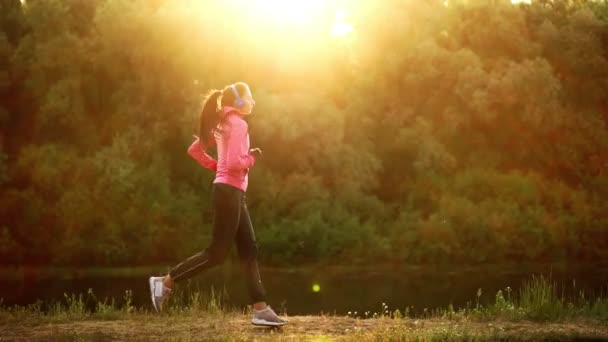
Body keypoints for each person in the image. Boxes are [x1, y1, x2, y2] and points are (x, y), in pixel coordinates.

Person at [148, 82, 288, 327]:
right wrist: (253, 158)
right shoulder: (238, 124)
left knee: (248, 249)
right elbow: (235, 163)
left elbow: (195, 150)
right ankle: (165, 282)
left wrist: (216, 167)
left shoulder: (221, 123)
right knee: (216, 253)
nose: (253, 102)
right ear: (240, 102)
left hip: (231, 192)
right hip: (229, 193)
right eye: (250, 97)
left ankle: (261, 309)